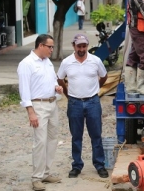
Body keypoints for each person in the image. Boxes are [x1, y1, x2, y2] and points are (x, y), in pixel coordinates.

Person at [56, 34, 109, 179]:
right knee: (76, 136)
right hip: (74, 103)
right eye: (79, 46)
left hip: (93, 102)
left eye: (84, 46)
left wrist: (96, 88)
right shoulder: (67, 62)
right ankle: (77, 165)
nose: (82, 49)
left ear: (87, 46)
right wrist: (68, 94)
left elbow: (104, 76)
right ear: (74, 46)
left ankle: (99, 164)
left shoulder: (95, 60)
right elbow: (60, 79)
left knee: (96, 135)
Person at [17, 34, 63, 191]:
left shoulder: (48, 62)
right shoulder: (26, 64)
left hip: (52, 103)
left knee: (52, 139)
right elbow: (24, 90)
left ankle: (46, 172)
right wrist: (30, 111)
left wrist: (57, 88)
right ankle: (36, 177)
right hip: (38, 105)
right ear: (40, 46)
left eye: (52, 47)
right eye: (49, 47)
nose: (52, 50)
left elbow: (53, 80)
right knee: (40, 141)